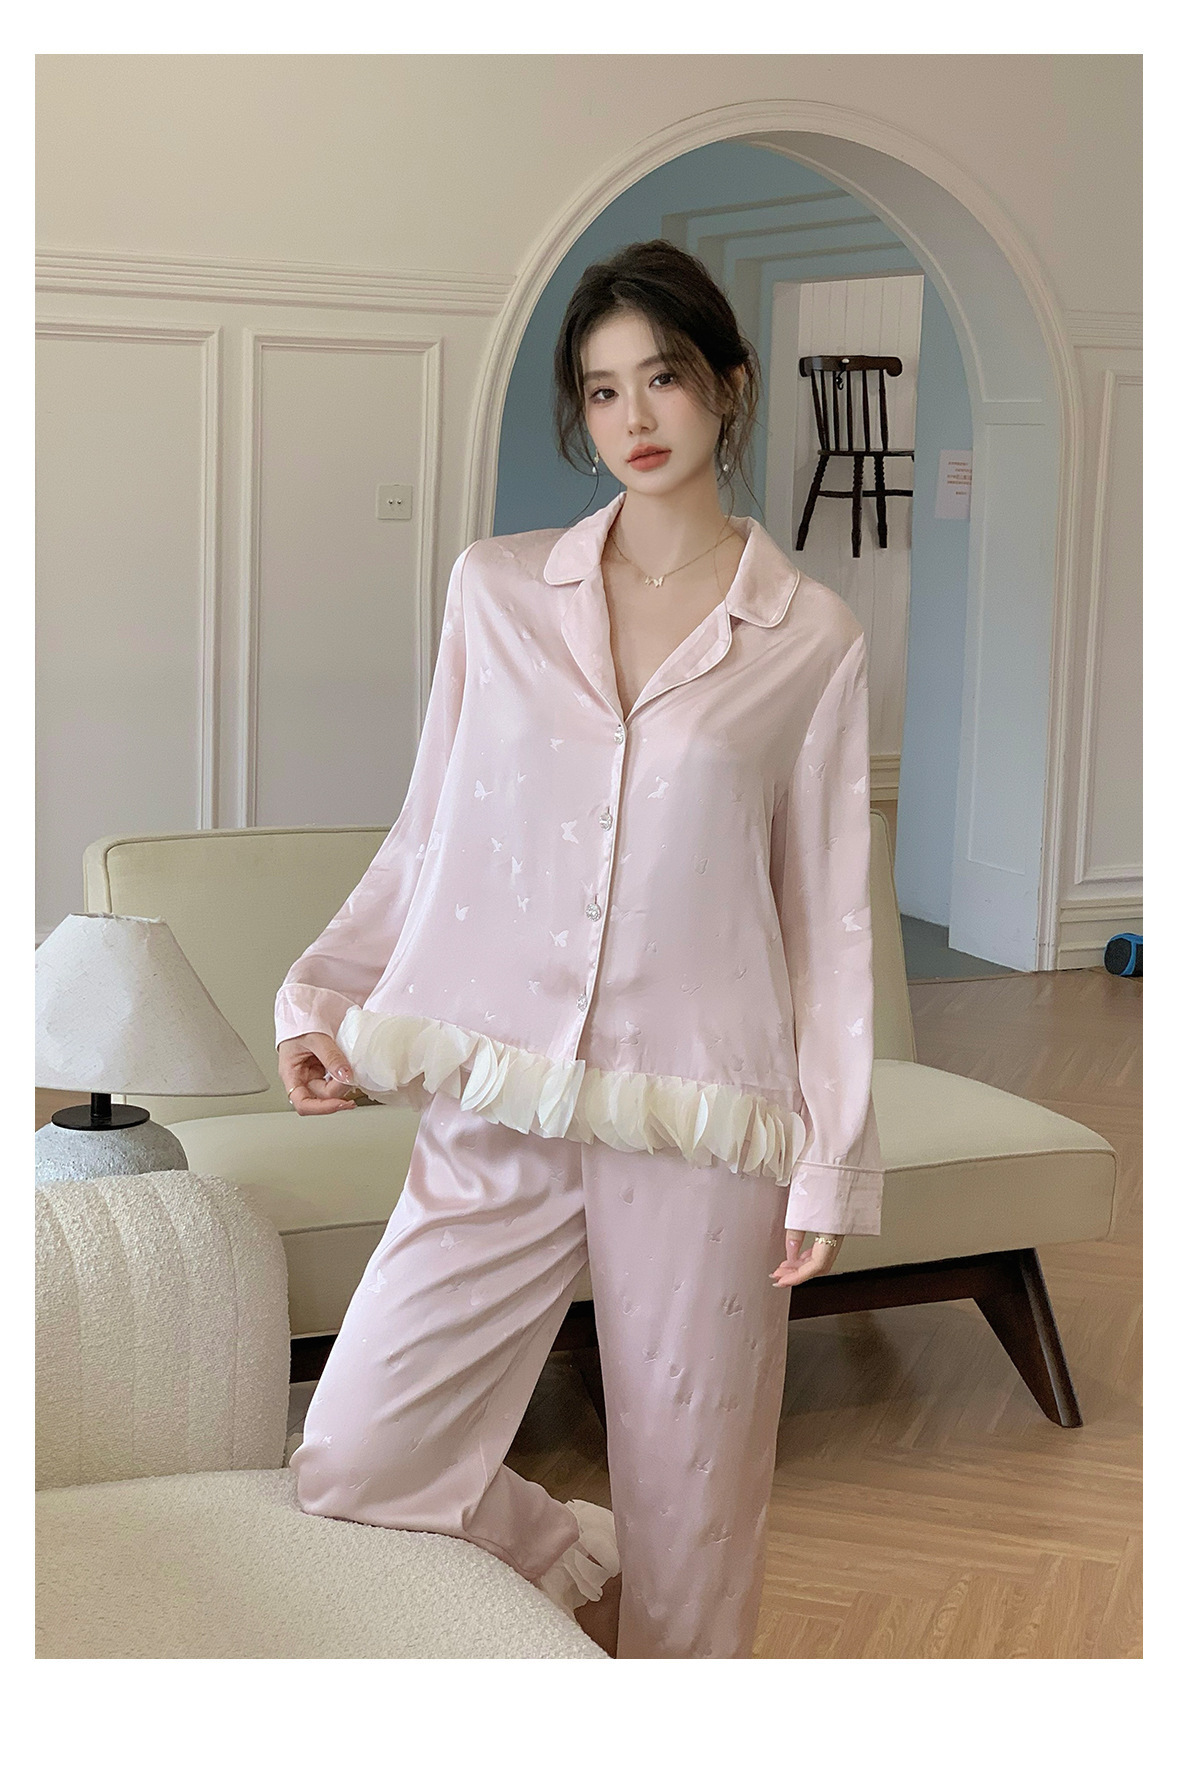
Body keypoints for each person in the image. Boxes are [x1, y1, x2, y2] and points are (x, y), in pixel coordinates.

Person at [275, 239, 884, 1659]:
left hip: (700, 1106)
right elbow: (433, 825)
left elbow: (828, 916)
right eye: (603, 391)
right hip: (501, 1083)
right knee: (357, 1451)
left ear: (728, 385)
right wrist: (330, 995)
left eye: (661, 377)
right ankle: (565, 1556)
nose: (634, 417)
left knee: (698, 1498)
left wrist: (831, 1155)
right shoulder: (497, 591)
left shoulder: (810, 638)